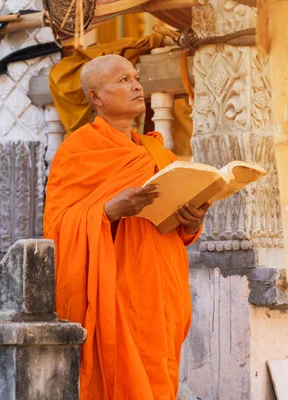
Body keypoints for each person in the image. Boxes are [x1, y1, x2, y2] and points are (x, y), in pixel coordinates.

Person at [43, 54, 210, 400]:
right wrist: (107, 211)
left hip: (162, 292)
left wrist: (193, 221)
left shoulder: (156, 153)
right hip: (114, 293)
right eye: (122, 80)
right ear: (95, 97)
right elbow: (57, 229)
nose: (136, 86)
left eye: (136, 77)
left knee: (159, 380)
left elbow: (175, 229)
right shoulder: (76, 152)